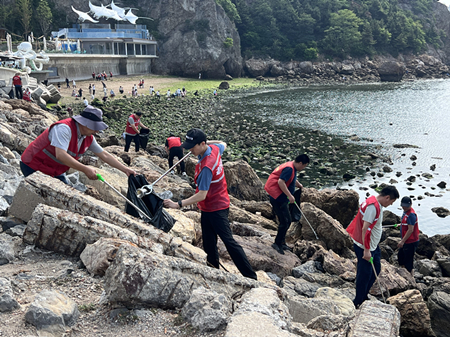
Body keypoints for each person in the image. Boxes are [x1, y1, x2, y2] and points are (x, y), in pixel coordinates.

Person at [163, 128, 257, 280]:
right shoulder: (214, 149)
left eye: (193, 146)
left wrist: (178, 204)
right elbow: (223, 143)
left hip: (216, 208)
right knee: (208, 242)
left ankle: (251, 277)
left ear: (202, 144)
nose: (190, 150)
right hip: (211, 206)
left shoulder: (207, 167)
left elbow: (201, 195)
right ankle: (213, 270)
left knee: (228, 242)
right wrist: (205, 143)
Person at [20, 105, 135, 184]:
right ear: (84, 123)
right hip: (33, 165)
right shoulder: (64, 129)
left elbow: (104, 155)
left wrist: (125, 169)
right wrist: (85, 169)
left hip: (54, 170)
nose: (97, 131)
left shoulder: (88, 137)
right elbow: (60, 155)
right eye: (95, 127)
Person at [346, 185, 400, 308]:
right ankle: (358, 300)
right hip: (365, 246)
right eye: (392, 201)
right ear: (387, 197)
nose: (391, 204)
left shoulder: (376, 203)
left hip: (373, 245)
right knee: (364, 274)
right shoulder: (372, 207)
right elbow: (365, 228)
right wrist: (366, 250)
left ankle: (363, 294)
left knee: (376, 268)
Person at [264, 154, 310, 254]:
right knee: (285, 221)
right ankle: (277, 243)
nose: (303, 168)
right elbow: (281, 181)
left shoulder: (291, 166)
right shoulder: (289, 168)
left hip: (280, 197)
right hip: (278, 198)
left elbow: (290, 178)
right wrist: (290, 195)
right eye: (304, 166)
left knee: (287, 220)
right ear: (300, 163)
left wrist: (297, 184)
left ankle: (282, 242)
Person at [397, 196, 419, 276]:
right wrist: (401, 224)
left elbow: (411, 229)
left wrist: (402, 241)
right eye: (403, 205)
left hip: (411, 241)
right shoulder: (405, 212)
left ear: (410, 205)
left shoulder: (411, 215)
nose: (404, 207)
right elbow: (407, 223)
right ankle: (404, 274)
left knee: (408, 261)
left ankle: (411, 278)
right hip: (406, 240)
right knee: (400, 257)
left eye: (406, 206)